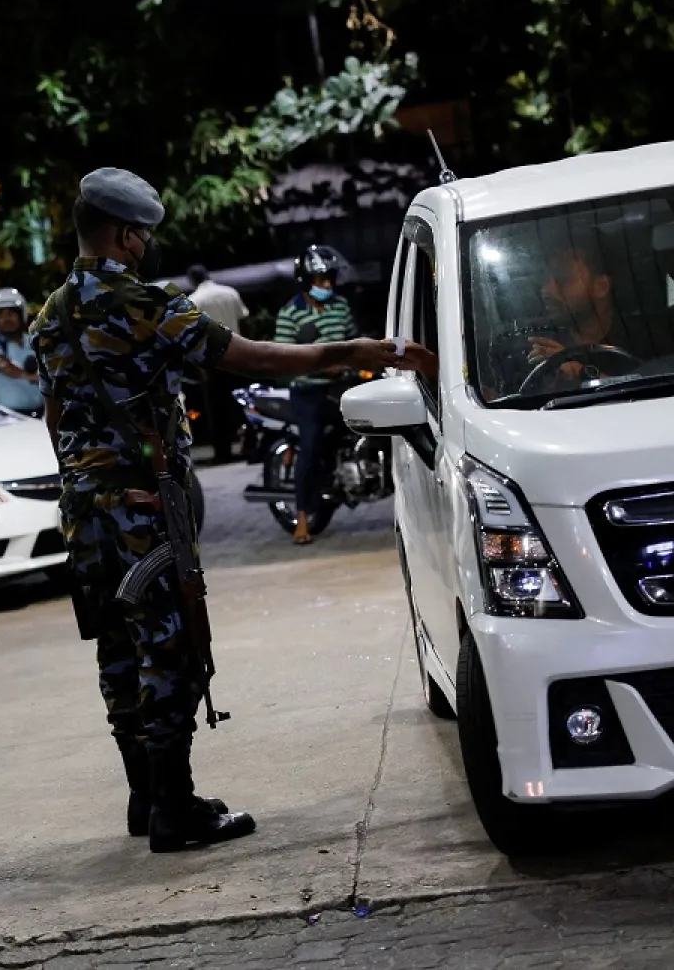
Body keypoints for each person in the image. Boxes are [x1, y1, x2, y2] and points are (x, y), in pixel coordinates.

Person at [33, 168, 424, 853]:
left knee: (119, 650)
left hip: (87, 510)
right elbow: (259, 358)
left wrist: (89, 482)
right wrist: (365, 350)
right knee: (170, 652)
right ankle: (175, 812)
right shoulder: (145, 302)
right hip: (144, 506)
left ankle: (146, 796)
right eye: (143, 235)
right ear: (126, 235)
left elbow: (55, 415)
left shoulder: (50, 315)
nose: (146, 246)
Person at [273, 245, 359, 545]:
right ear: (306, 281)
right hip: (307, 390)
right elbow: (283, 358)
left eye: (330, 279)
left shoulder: (341, 306)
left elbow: (352, 341)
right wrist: (322, 365)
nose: (327, 285)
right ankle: (301, 517)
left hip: (340, 387)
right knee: (309, 446)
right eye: (321, 280)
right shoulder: (290, 314)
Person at [185, 265, 249, 463]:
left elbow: (193, 337)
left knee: (217, 410)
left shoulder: (194, 301)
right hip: (238, 355)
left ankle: (223, 452)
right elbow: (245, 321)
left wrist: (199, 368)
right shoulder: (230, 293)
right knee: (243, 404)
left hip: (213, 362)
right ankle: (251, 444)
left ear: (192, 281)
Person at [0, 288, 44, 415]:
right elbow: (4, 366)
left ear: (21, 315)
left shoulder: (33, 341)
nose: (6, 319)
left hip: (40, 416)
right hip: (6, 419)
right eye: (1, 315)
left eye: (11, 313)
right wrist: (36, 377)